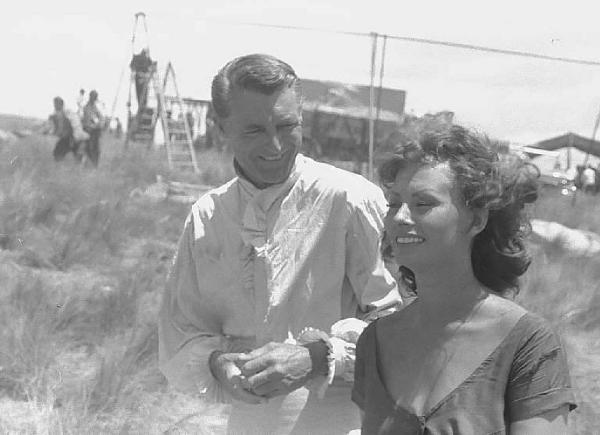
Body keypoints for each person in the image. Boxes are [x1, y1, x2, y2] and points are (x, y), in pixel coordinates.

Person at [158, 54, 402, 434]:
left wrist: (318, 357)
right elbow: (182, 331)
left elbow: (402, 324)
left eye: (287, 126)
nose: (274, 146)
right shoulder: (208, 216)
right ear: (221, 127)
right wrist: (218, 364)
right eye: (254, 131)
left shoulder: (350, 199)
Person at [353, 125, 577, 434]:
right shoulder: (375, 342)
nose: (401, 217)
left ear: (476, 219)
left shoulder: (528, 345)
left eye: (423, 204)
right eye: (394, 203)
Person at [47, 96, 88, 162]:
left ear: (61, 104)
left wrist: (74, 137)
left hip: (76, 138)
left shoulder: (68, 112)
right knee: (57, 153)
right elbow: (58, 129)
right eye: (54, 104)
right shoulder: (57, 114)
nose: (54, 106)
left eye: (56, 104)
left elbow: (75, 124)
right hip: (68, 138)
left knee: (77, 156)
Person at [82, 90, 104, 167]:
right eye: (93, 97)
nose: (94, 99)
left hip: (95, 131)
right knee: (89, 149)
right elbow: (86, 119)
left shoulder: (95, 107)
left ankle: (94, 166)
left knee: (96, 150)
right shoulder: (86, 107)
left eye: (95, 97)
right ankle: (88, 165)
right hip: (88, 131)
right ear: (90, 97)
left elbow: (100, 118)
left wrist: (97, 124)